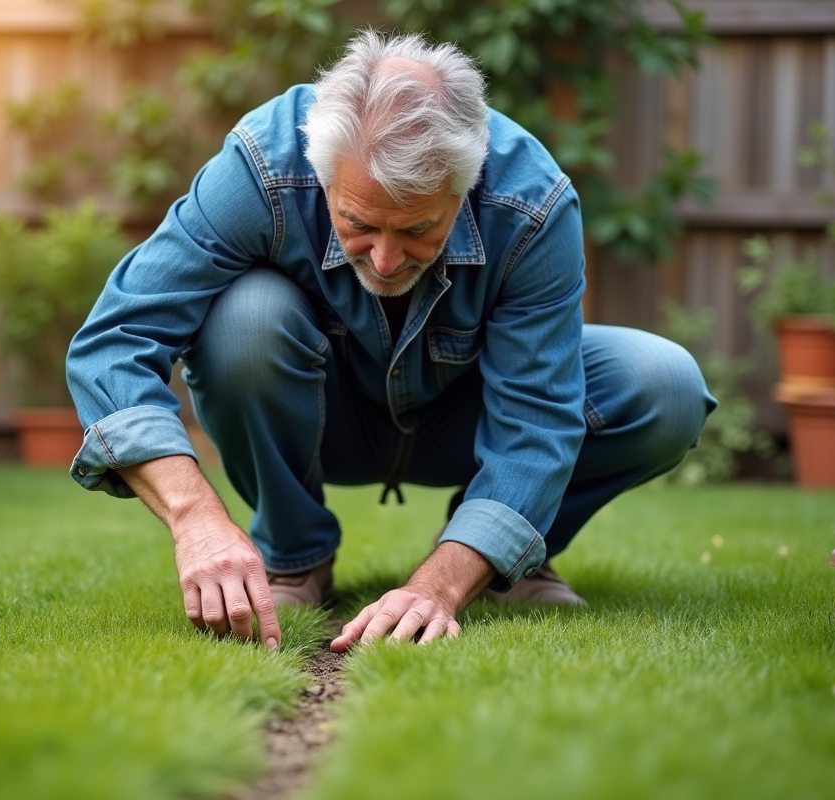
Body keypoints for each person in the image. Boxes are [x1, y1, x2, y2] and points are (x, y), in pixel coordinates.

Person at [66, 30, 716, 653]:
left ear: (464, 186)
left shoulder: (532, 202)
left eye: (417, 230)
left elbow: (539, 414)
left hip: (465, 421)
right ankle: (294, 557)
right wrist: (196, 520)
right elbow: (114, 340)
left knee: (667, 385)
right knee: (244, 318)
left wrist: (440, 586)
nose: (383, 260)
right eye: (357, 222)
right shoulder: (262, 165)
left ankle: (496, 557)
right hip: (323, 419)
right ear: (323, 174)